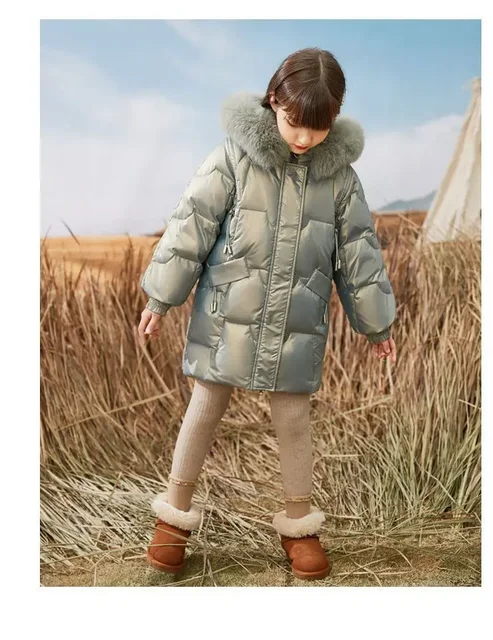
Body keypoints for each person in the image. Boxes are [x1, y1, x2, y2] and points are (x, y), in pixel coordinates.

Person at [137, 47, 397, 581]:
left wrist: (377, 324)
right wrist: (160, 297)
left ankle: (299, 526)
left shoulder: (340, 178)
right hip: (228, 311)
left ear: (335, 116)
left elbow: (359, 254)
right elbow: (189, 228)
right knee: (205, 405)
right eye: (295, 122)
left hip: (297, 320)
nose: (304, 137)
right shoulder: (233, 158)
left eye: (318, 127)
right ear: (275, 99)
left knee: (294, 419)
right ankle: (173, 518)